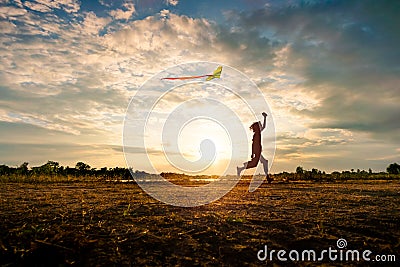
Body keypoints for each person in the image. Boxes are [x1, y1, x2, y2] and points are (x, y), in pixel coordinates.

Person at [237, 112, 271, 182]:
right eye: (260, 125)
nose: (261, 126)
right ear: (257, 127)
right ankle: (240, 169)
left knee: (264, 162)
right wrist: (253, 153)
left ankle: (267, 177)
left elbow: (264, 126)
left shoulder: (258, 133)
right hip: (257, 152)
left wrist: (265, 118)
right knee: (256, 164)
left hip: (258, 152)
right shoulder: (256, 134)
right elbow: (253, 144)